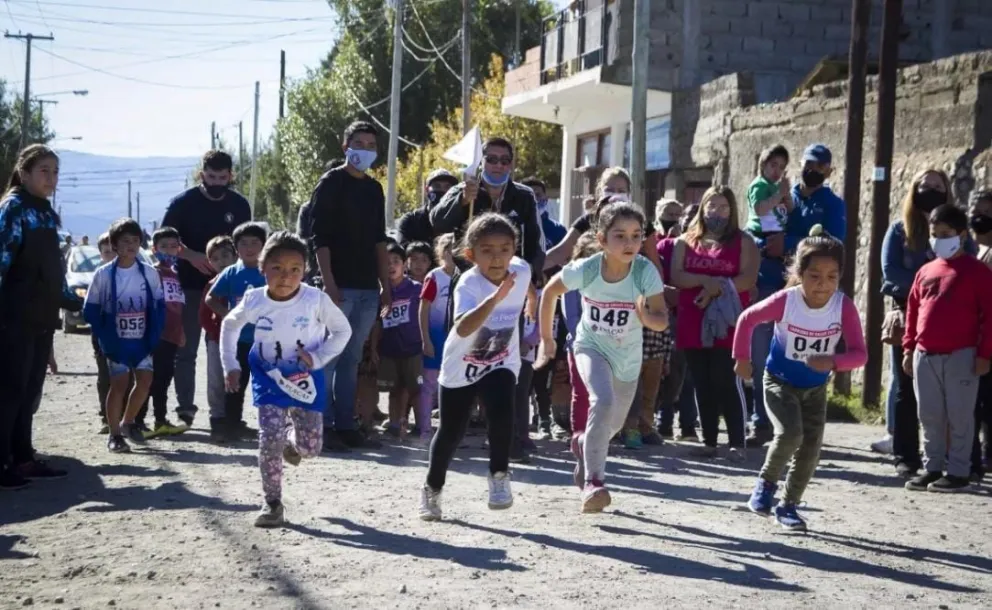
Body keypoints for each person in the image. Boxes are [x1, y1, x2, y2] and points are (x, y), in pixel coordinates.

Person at [537, 203, 669, 513]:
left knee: (613, 424)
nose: (629, 243)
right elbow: (550, 292)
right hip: (590, 346)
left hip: (628, 357)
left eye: (636, 236)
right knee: (602, 401)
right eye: (620, 236)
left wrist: (645, 317)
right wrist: (546, 340)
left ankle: (584, 444)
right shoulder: (588, 269)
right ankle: (594, 482)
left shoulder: (644, 271)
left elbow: (662, 318)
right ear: (602, 238)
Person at [734, 226, 867, 531]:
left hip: (815, 389)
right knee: (791, 434)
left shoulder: (842, 306)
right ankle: (765, 486)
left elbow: (860, 354)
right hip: (778, 381)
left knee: (811, 448)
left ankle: (789, 505)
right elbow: (747, 319)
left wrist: (832, 361)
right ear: (800, 273)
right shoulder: (787, 300)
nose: (822, 285)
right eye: (814, 276)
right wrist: (742, 358)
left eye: (832, 277)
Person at [220, 231, 352, 527]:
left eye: (294, 269)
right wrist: (230, 364)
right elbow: (229, 325)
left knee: (310, 449)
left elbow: (343, 331)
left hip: (306, 380)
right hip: (268, 378)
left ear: (304, 271)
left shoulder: (315, 300)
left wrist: (318, 358)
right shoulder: (255, 299)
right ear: (262, 268)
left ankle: (292, 441)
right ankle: (272, 503)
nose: (285, 276)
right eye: (277, 268)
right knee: (268, 439)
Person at [419, 213, 535, 521]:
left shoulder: (521, 270)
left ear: (514, 249)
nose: (497, 257)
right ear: (471, 255)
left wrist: (532, 303)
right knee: (450, 432)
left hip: (502, 360)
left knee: (502, 413)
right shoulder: (468, 286)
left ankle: (499, 475)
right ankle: (432, 489)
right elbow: (464, 327)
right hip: (462, 364)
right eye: (487, 250)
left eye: (504, 248)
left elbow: (529, 287)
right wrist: (497, 298)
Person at [749, 144, 845, 447]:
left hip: (806, 289)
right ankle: (760, 421)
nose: (814, 171)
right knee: (762, 349)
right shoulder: (779, 193)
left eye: (821, 167)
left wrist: (789, 244)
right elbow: (757, 222)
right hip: (769, 276)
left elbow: (832, 242)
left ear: (829, 171)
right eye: (809, 164)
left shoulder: (831, 203)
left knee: (803, 352)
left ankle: (800, 425)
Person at [308, 121, 391, 451]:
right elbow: (320, 237)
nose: (365, 149)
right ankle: (322, 423)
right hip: (338, 287)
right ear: (346, 146)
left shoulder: (374, 189)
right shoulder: (331, 183)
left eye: (371, 144)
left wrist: (386, 284)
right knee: (329, 355)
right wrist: (329, 283)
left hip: (368, 288)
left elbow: (379, 240)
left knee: (352, 358)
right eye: (359, 143)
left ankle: (346, 423)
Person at [0, 144, 78, 488]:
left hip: (41, 318)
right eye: (44, 170)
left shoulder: (45, 212)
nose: (51, 178)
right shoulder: (13, 209)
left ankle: (23, 458)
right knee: (9, 390)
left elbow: (54, 271)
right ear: (25, 173)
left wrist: (76, 302)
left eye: (55, 171)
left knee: (30, 390)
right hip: (12, 317)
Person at [902, 204, 992, 493]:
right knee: (929, 415)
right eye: (934, 234)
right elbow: (912, 312)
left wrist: (984, 354)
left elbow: (989, 316)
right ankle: (932, 467)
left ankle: (959, 472)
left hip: (962, 356)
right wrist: (908, 349)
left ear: (962, 234)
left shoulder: (978, 273)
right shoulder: (925, 271)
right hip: (924, 355)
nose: (939, 239)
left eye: (946, 234)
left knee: (960, 416)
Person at [162, 150, 251, 427]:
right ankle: (186, 408)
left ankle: (226, 413)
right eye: (211, 177)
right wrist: (192, 256)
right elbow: (165, 242)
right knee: (186, 350)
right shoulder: (182, 203)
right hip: (189, 286)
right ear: (202, 175)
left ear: (230, 177)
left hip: (229, 290)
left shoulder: (239, 205)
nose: (216, 182)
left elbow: (247, 243)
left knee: (227, 350)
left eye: (222, 178)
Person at [671, 186, 758, 461]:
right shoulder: (685, 241)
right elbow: (677, 275)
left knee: (725, 378)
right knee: (701, 380)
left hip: (727, 320)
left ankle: (736, 440)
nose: (716, 212)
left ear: (732, 210)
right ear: (702, 208)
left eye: (722, 207)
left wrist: (716, 288)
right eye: (711, 206)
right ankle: (709, 439)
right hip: (692, 319)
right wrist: (704, 282)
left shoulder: (744, 242)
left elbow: (748, 278)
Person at [880, 169, 955, 477]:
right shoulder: (899, 231)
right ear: (914, 190)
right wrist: (927, 285)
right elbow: (890, 272)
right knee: (905, 385)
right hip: (908, 314)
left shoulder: (954, 233)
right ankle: (906, 456)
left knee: (947, 390)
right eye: (926, 186)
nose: (931, 190)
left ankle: (950, 457)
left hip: (948, 317)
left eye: (938, 187)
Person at [84, 218, 165, 453]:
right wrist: (105, 337)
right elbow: (90, 309)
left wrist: (154, 335)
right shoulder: (103, 274)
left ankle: (128, 422)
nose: (131, 245)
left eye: (135, 241)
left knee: (145, 381)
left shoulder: (149, 273)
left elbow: (159, 307)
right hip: (115, 341)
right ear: (114, 244)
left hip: (142, 340)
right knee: (118, 384)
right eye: (125, 241)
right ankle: (114, 434)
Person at [429, 137, 546, 279]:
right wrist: (462, 201)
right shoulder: (461, 190)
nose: (498, 165)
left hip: (511, 278)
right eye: (491, 159)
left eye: (505, 161)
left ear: (510, 165)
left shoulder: (525, 195)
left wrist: (531, 273)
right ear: (481, 162)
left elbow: (537, 242)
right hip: (469, 275)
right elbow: (437, 222)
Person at [206, 222, 268, 441]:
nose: (249, 248)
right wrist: (229, 316)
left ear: (264, 245)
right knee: (235, 385)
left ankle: (272, 427)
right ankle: (231, 425)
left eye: (255, 243)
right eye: (243, 244)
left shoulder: (270, 271)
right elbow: (210, 298)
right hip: (239, 341)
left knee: (268, 385)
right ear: (236, 247)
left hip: (266, 342)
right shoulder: (232, 272)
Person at [137, 227, 190, 438]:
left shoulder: (177, 275)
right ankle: (137, 421)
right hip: (155, 335)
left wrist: (181, 331)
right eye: (163, 246)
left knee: (164, 379)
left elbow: (178, 306)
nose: (168, 251)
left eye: (173, 246)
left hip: (173, 335)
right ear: (154, 248)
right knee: (148, 380)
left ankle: (160, 420)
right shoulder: (152, 273)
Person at [377, 242, 424, 439]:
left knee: (416, 389)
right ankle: (394, 424)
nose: (391, 266)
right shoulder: (379, 293)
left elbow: (426, 316)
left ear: (405, 265)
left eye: (395, 261)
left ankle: (422, 425)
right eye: (386, 262)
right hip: (389, 348)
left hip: (413, 348)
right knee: (394, 389)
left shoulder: (416, 289)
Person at [543, 167, 631, 270]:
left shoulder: (641, 223)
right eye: (609, 190)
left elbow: (653, 260)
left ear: (628, 194)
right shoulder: (587, 221)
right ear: (600, 193)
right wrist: (530, 269)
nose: (614, 195)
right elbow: (561, 251)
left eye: (621, 191)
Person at [199, 236, 238, 443]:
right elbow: (204, 316)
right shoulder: (212, 286)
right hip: (216, 339)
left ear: (235, 256)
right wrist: (216, 331)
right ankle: (218, 420)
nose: (221, 261)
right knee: (216, 380)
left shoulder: (243, 281)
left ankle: (234, 420)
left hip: (241, 340)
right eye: (215, 258)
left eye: (225, 255)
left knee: (237, 379)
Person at [419, 234, 457, 445]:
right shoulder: (435, 277)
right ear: (441, 253)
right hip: (435, 337)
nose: (453, 252)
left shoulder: (466, 276)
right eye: (449, 248)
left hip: (457, 340)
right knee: (429, 385)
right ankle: (425, 429)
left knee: (453, 387)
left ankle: (449, 431)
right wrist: (426, 338)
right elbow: (423, 308)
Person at [969, 191, 992, 477]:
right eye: (978, 210)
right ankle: (971, 457)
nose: (981, 217)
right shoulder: (966, 250)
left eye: (988, 212)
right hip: (967, 338)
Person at [396, 169, 458, 247]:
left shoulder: (459, 222)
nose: (442, 190)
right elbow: (402, 253)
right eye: (437, 186)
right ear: (426, 190)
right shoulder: (410, 221)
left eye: (447, 187)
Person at [92, 232, 116, 434]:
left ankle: (126, 416)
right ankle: (106, 418)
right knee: (105, 376)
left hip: (127, 333)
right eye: (106, 252)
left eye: (113, 251)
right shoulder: (99, 275)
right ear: (101, 254)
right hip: (103, 333)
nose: (111, 255)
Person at [745, 145, 792, 237]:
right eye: (773, 165)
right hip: (760, 234)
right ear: (763, 165)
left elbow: (790, 209)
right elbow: (760, 210)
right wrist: (780, 194)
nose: (777, 171)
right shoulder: (759, 185)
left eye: (781, 167)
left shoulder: (778, 187)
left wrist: (787, 195)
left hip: (777, 232)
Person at [521, 176, 567, 252]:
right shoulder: (511, 227)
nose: (534, 200)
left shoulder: (558, 230)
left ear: (546, 199)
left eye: (538, 195)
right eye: (528, 196)